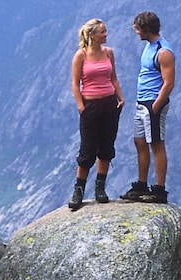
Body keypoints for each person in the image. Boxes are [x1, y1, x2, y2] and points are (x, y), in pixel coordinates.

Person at [69, 18, 125, 210]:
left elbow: (113, 78)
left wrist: (120, 98)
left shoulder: (109, 53)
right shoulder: (81, 56)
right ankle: (79, 190)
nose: (106, 34)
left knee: (106, 146)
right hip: (90, 105)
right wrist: (81, 107)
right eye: (103, 31)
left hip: (109, 103)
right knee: (87, 149)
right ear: (92, 34)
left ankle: (100, 187)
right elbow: (75, 83)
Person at [122, 11, 175, 204]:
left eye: (137, 28)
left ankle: (159, 190)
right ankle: (141, 185)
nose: (136, 32)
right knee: (140, 142)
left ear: (145, 28)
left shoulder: (164, 51)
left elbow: (169, 83)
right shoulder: (149, 47)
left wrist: (156, 105)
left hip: (153, 103)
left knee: (157, 144)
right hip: (141, 102)